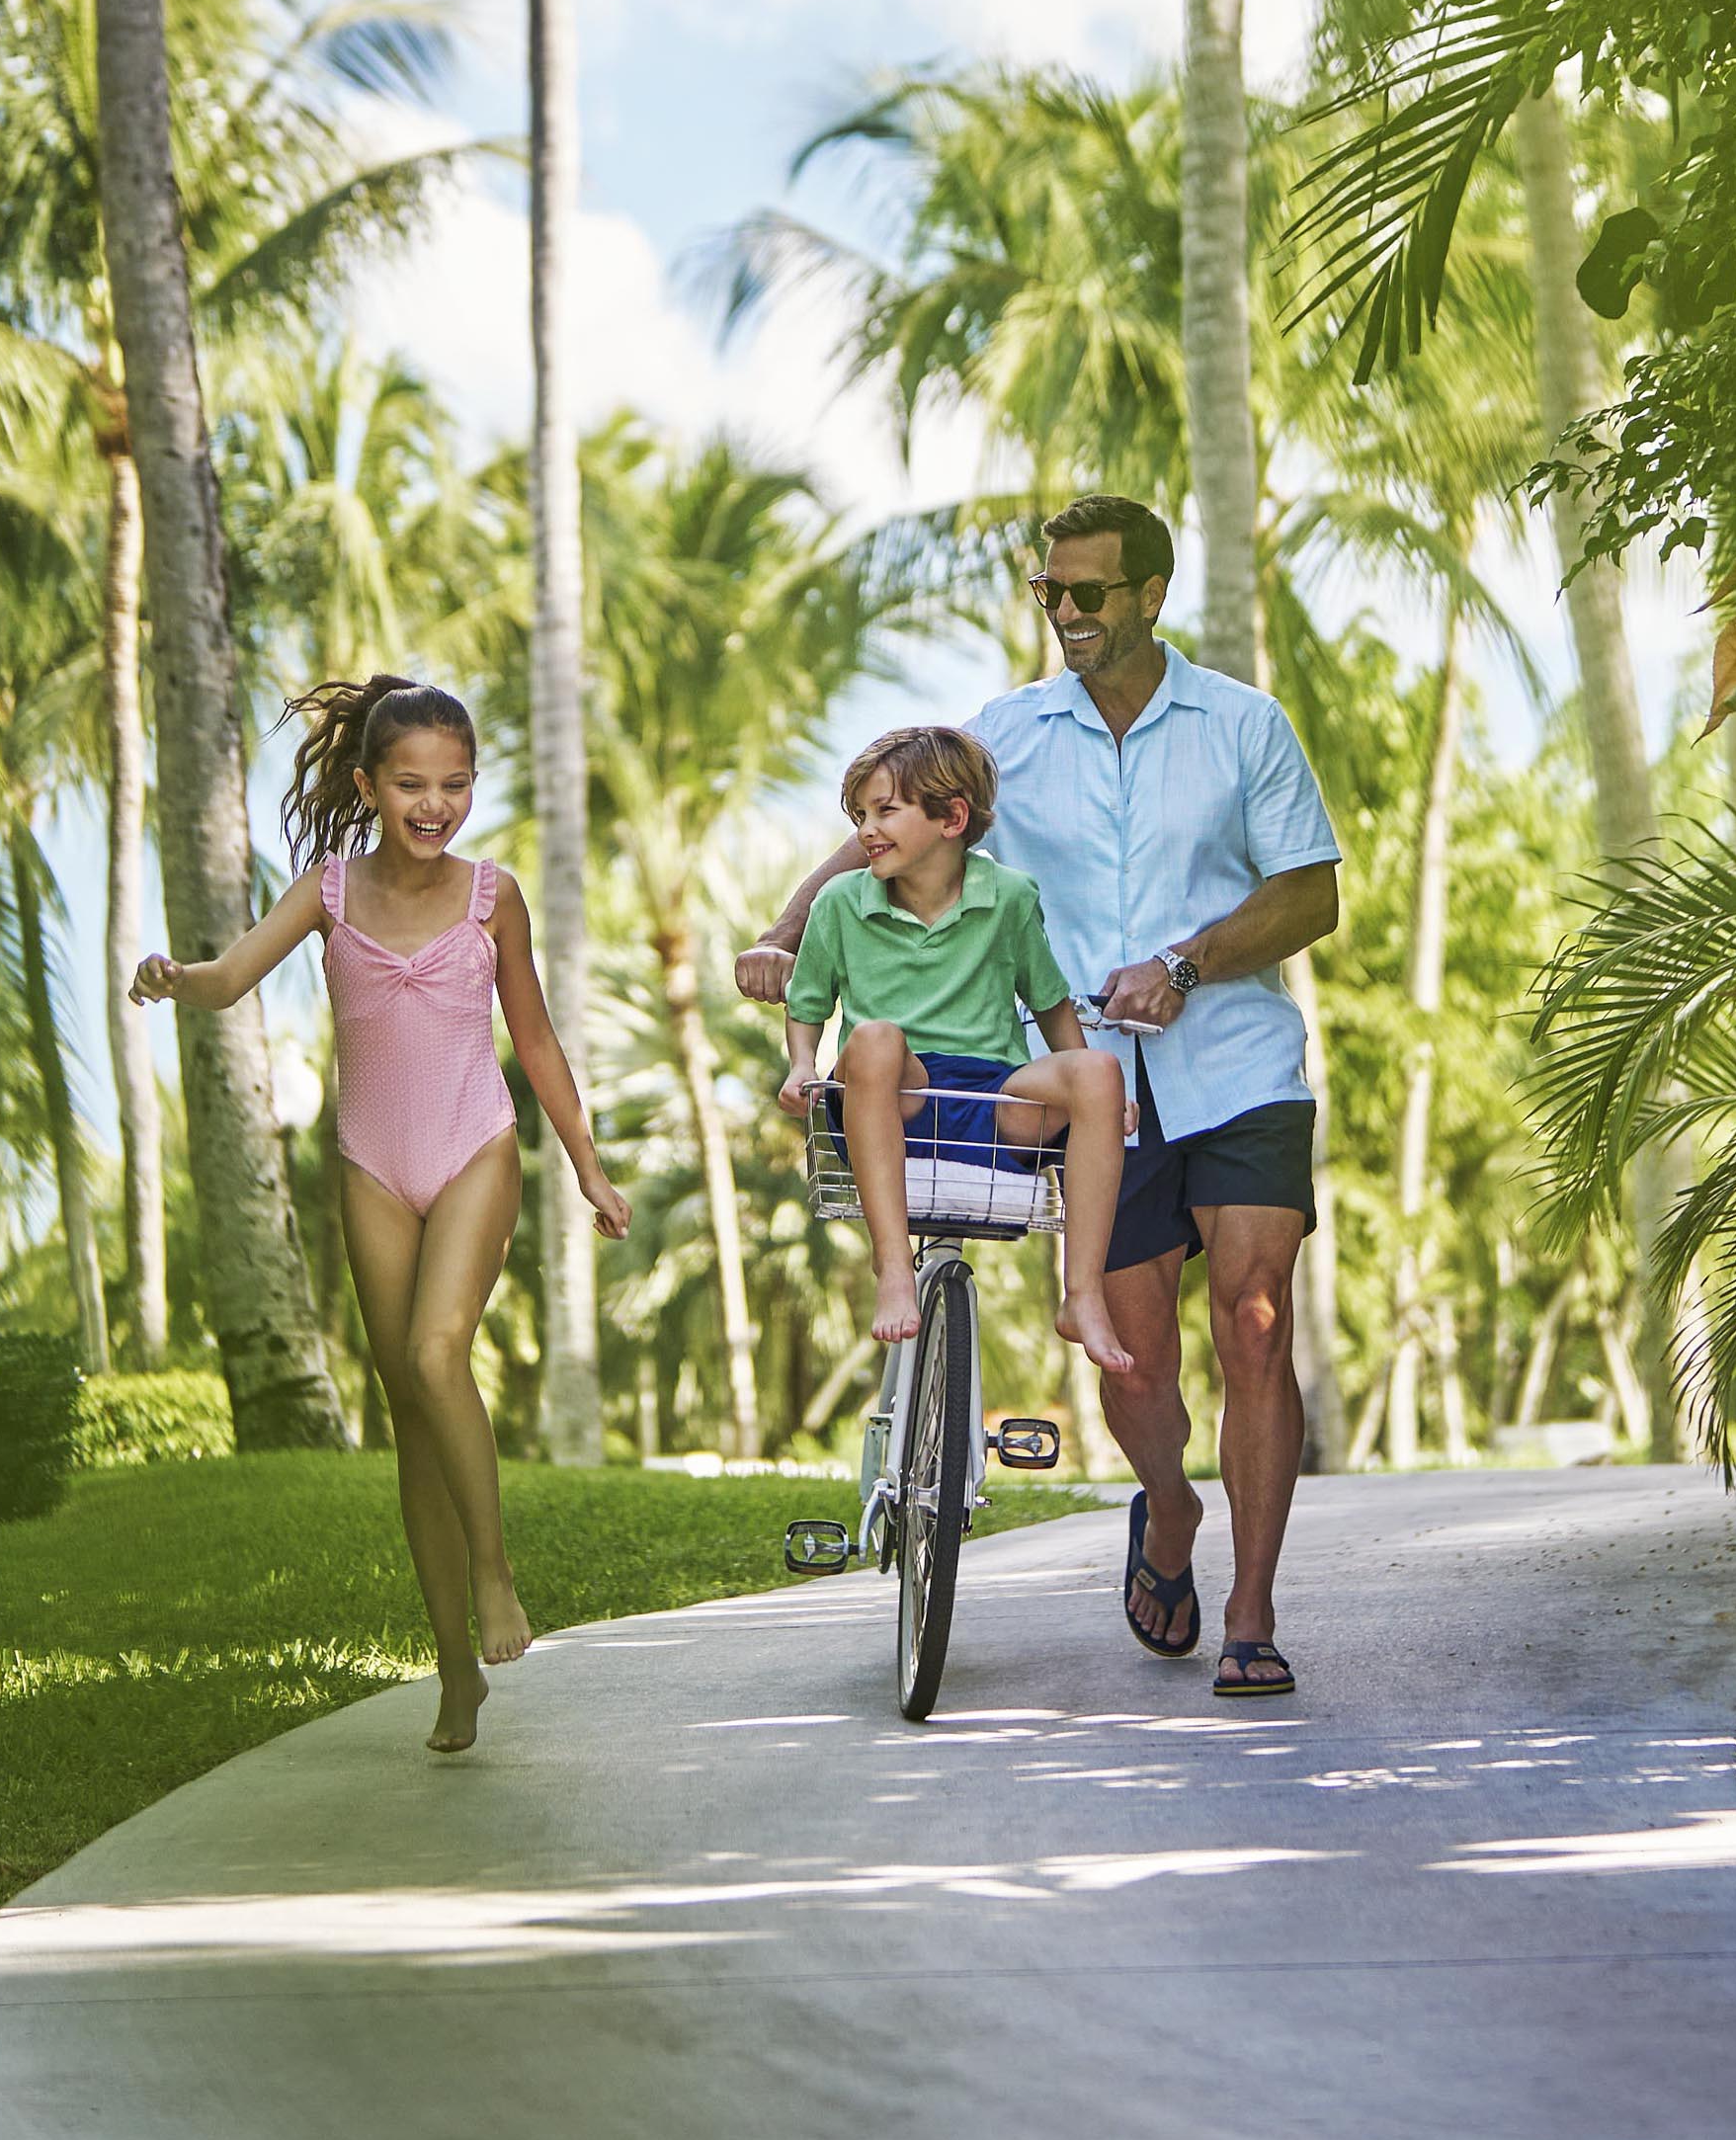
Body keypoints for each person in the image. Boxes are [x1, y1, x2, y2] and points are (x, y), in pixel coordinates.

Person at [742, 498, 1339, 1699]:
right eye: (1048, 593)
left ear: (1150, 595)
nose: (1063, 614)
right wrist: (786, 923)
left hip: (1235, 1065)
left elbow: (1310, 892)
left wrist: (1184, 964)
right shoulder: (1006, 732)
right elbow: (890, 830)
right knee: (1136, 1367)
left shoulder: (1242, 724)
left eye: (1088, 594)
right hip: (1084, 1096)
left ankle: (1251, 1611)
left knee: (1254, 1315)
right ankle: (1166, 1510)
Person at [132, 671, 628, 1758]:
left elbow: (535, 1042)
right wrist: (175, 976)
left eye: (454, 784)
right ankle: (454, 1671)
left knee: (437, 1347)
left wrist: (586, 1166)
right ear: (368, 783)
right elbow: (230, 979)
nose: (434, 804)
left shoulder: (493, 897)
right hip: (368, 1164)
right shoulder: (329, 891)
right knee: (409, 1403)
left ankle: (496, 1581)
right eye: (411, 783)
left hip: (471, 1149)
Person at [777, 723, 1135, 1380]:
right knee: (877, 1038)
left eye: (886, 810)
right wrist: (803, 1064)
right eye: (860, 814)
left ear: (952, 817)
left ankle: (1083, 1296)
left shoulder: (1010, 898)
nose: (866, 829)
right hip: (891, 1096)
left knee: (1101, 1070)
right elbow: (808, 1008)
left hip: (993, 1100)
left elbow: (1053, 1006)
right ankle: (893, 1268)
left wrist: (1102, 1097)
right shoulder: (839, 903)